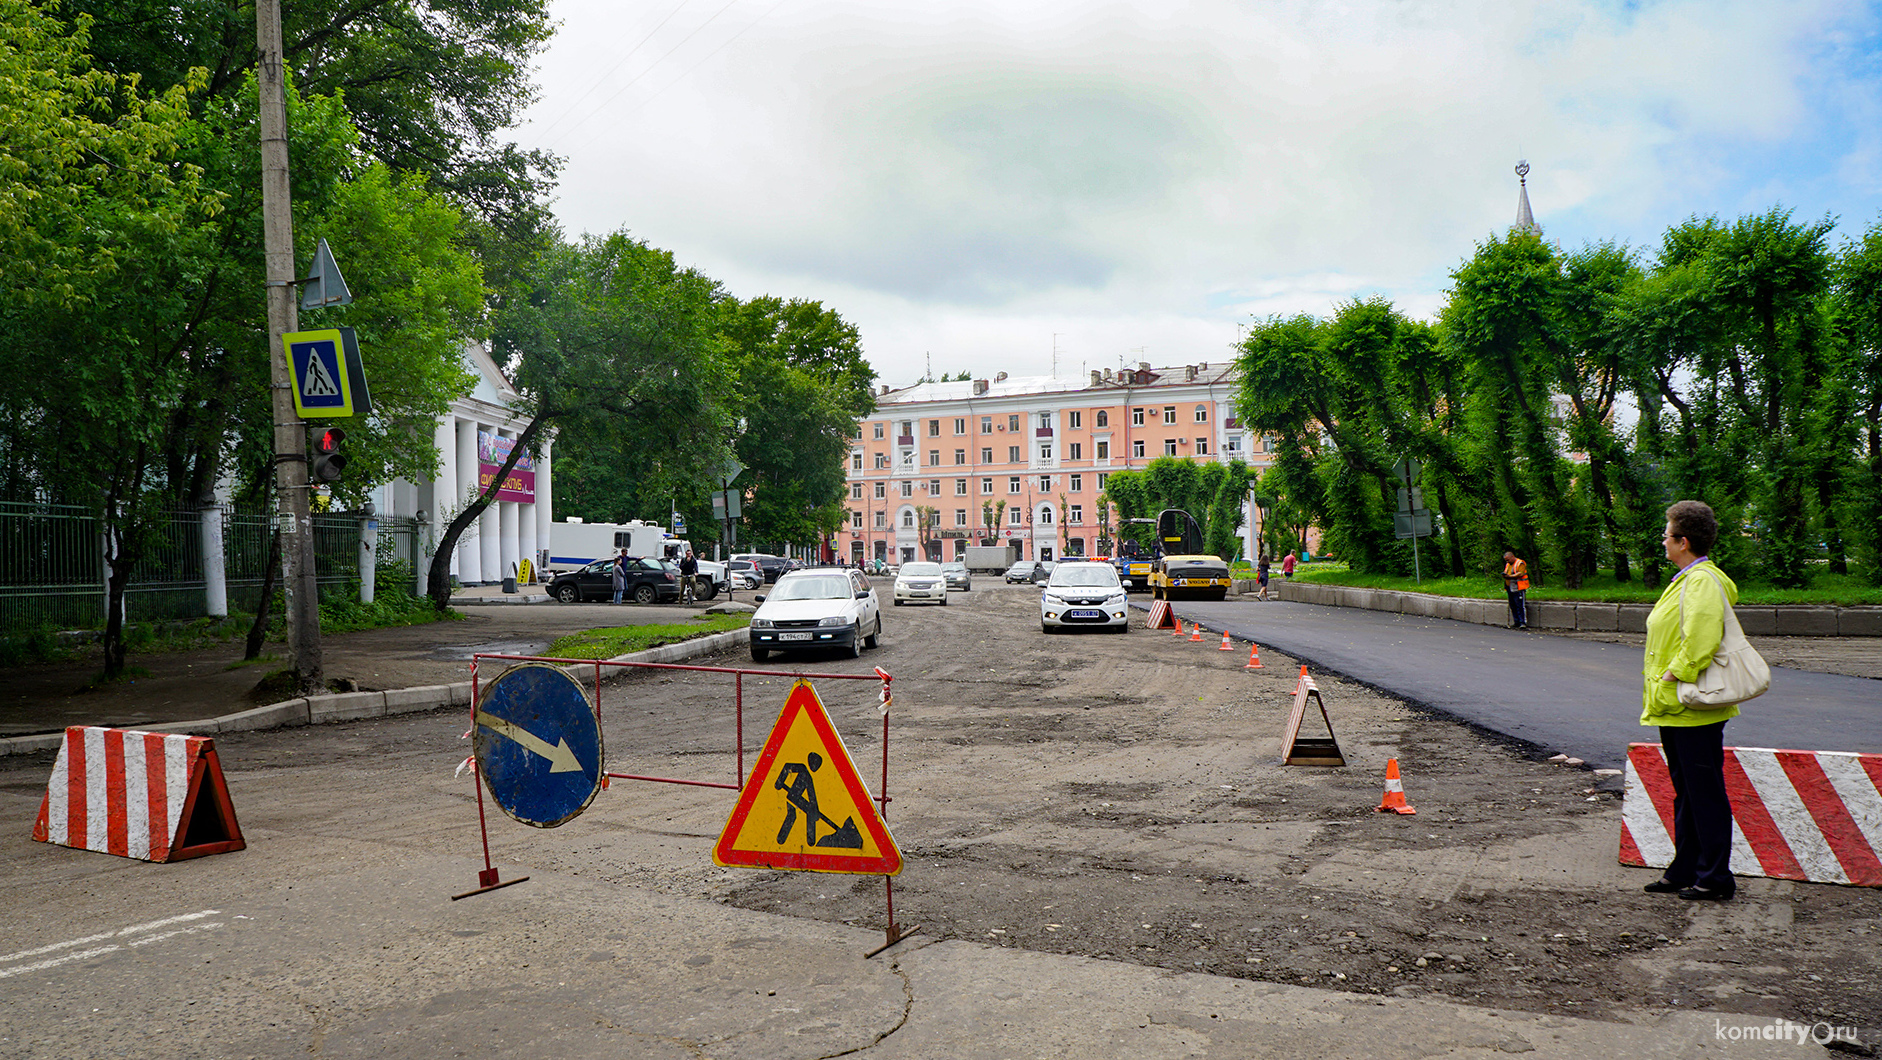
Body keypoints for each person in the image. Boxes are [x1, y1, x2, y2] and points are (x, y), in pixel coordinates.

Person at [1639, 500, 1739, 901]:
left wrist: (1673, 674)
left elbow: (1700, 638)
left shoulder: (1701, 581)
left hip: (1691, 703)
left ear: (1683, 541)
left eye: (1666, 534)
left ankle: (1716, 877)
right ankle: (1685, 868)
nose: (1663, 540)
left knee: (1705, 791)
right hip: (1676, 705)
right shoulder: (1687, 578)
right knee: (1687, 790)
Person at [1502, 551, 1529, 629]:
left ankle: (1522, 623)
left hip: (1518, 587)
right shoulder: (1508, 564)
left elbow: (1520, 573)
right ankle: (1516, 622)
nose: (1507, 561)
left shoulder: (1520, 563)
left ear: (1512, 557)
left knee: (1520, 605)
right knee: (1512, 605)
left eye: (1508, 560)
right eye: (1506, 560)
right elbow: (1506, 572)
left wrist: (1510, 576)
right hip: (1510, 587)